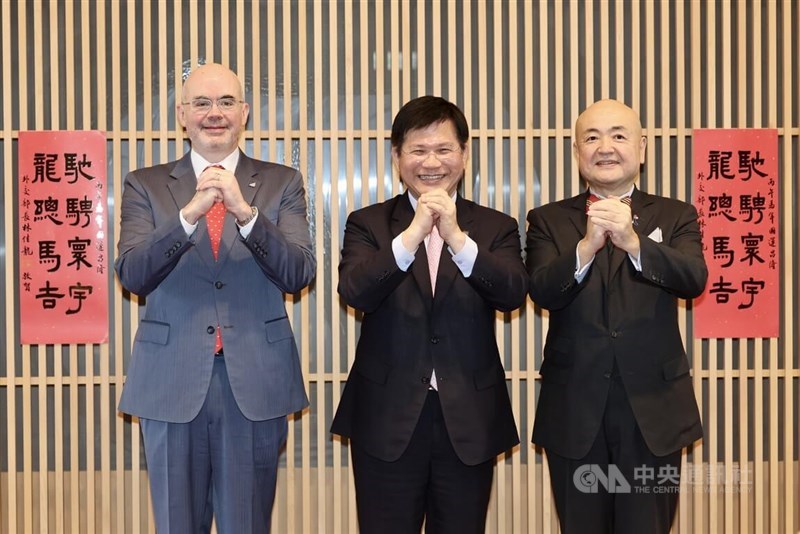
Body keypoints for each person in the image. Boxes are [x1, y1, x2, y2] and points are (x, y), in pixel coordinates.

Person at [115, 63, 315, 533]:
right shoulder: (145, 184)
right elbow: (134, 274)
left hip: (255, 381)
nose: (214, 113)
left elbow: (298, 272)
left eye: (226, 102)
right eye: (201, 103)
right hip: (171, 380)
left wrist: (246, 214)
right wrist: (188, 216)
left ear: (244, 112)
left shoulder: (282, 182)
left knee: (247, 523)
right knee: (176, 523)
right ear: (181, 114)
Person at [330, 96, 528, 533]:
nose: (431, 162)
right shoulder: (368, 223)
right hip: (386, 416)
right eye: (418, 150)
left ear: (464, 153)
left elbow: (512, 293)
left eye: (443, 149)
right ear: (397, 156)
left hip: (469, 417)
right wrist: (413, 234)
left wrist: (456, 238)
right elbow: (355, 291)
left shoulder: (496, 226)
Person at [525, 99, 707, 533]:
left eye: (619, 135)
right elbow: (542, 290)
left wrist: (634, 241)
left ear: (641, 148)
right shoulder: (547, 219)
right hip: (574, 408)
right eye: (591, 137)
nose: (605, 147)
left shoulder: (675, 214)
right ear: (577, 152)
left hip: (654, 408)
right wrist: (586, 247)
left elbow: (693, 279)